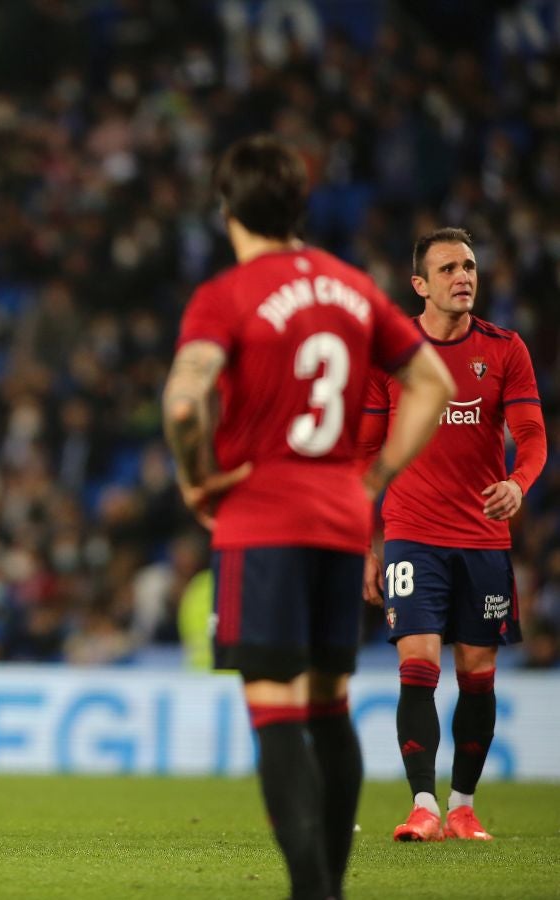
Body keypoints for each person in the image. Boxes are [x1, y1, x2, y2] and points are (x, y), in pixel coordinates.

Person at [163, 135, 454, 900]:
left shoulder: (225, 295)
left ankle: (311, 891)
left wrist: (198, 479)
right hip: (340, 519)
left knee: (277, 710)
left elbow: (184, 402)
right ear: (300, 205)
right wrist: (378, 475)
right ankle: (331, 888)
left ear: (228, 210)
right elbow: (432, 380)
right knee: (330, 706)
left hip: (260, 521)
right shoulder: (353, 287)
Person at [360, 228, 548, 842]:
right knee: (417, 662)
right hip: (411, 533)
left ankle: (462, 806)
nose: (463, 276)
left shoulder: (504, 349)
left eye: (468, 266)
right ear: (420, 285)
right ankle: (423, 805)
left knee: (477, 671)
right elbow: (364, 454)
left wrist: (518, 483)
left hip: (484, 539)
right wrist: (366, 543)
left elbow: (533, 435)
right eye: (448, 269)